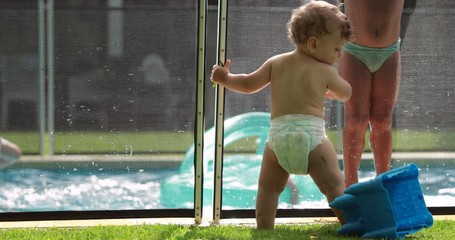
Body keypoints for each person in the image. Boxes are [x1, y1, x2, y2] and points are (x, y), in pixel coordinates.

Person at [211, 1, 352, 229]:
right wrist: (333, 90)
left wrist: (224, 78)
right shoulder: (325, 70)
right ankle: (350, 223)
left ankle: (264, 228)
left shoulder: (276, 63)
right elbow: (346, 93)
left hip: (278, 140)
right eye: (337, 49)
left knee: (268, 188)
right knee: (334, 186)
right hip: (312, 140)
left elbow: (247, 84)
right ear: (314, 44)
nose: (340, 55)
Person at [338, 0, 405, 187]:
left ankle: (383, 182)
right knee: (355, 119)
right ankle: (350, 184)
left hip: (389, 50)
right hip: (354, 50)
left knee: (383, 119)